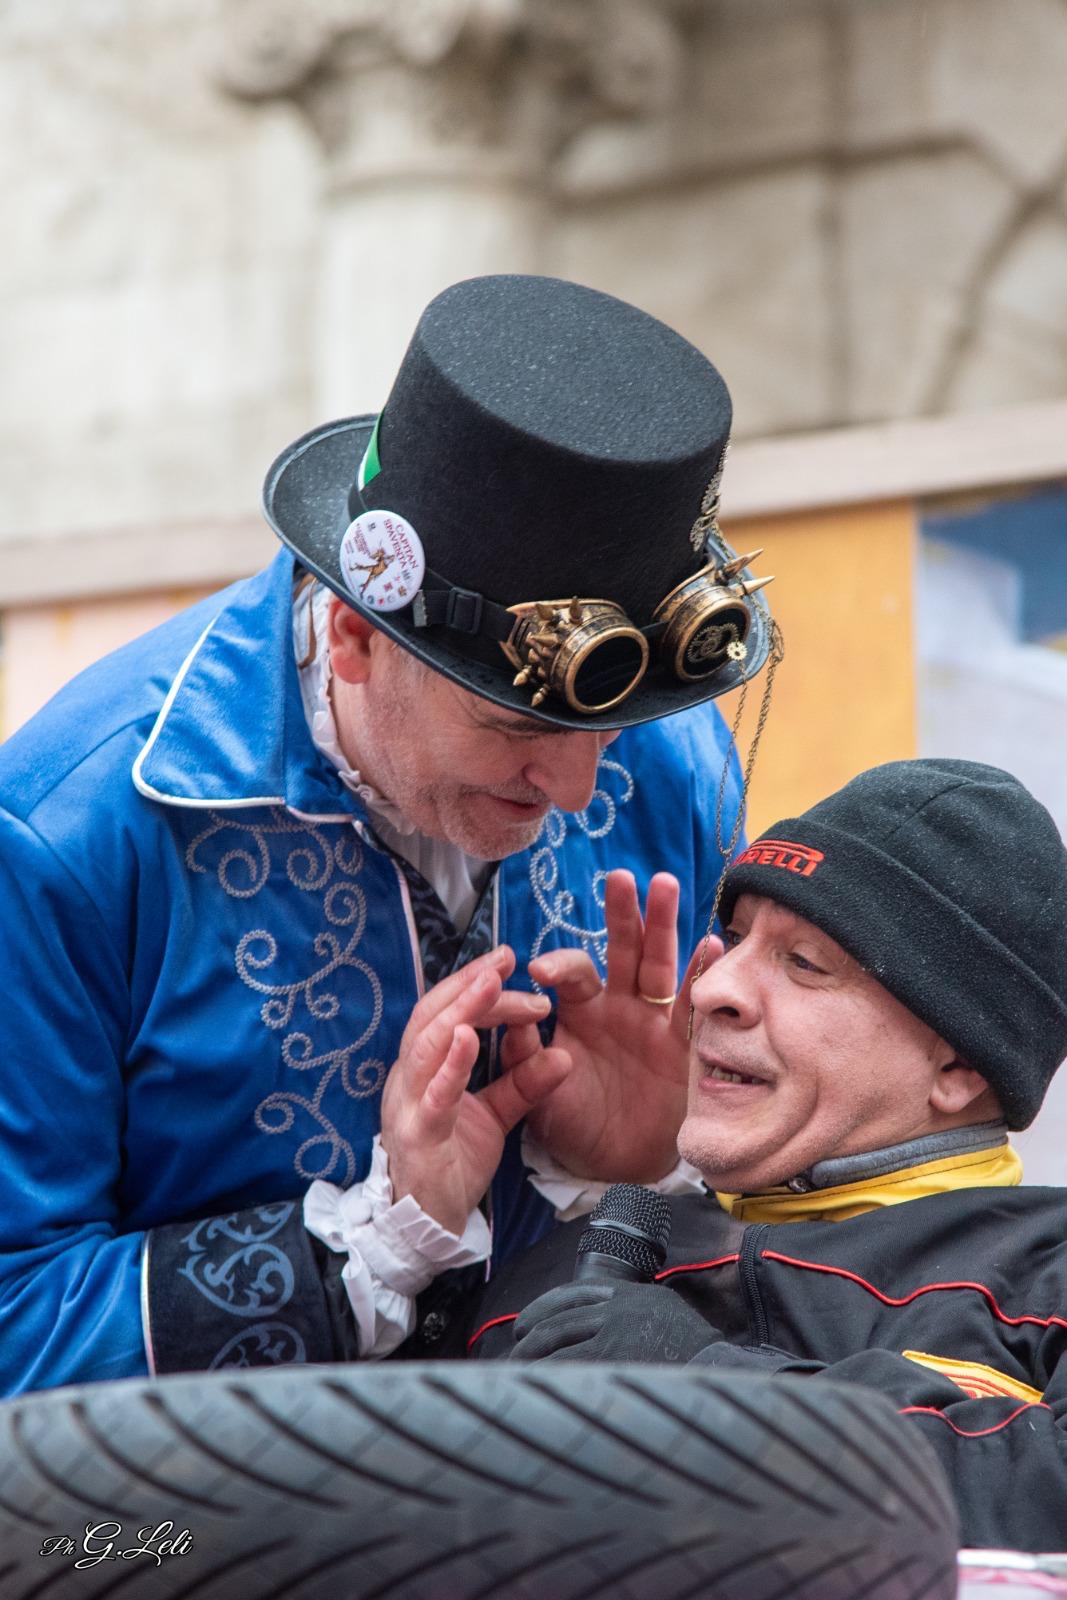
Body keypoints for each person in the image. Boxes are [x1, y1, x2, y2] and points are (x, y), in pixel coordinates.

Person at [0, 273, 775, 1394]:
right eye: (515, 725)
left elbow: (772, 1259)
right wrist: (369, 1246)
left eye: (610, 731)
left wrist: (640, 1177)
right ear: (355, 634)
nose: (575, 791)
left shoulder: (680, 763)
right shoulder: (66, 830)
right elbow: (15, 1315)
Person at [457, 759, 1067, 1552]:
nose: (712, 988)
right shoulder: (563, 1264)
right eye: (737, 938)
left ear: (958, 1067)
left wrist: (717, 1389)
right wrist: (414, 1217)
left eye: (804, 963)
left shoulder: (1047, 1272)